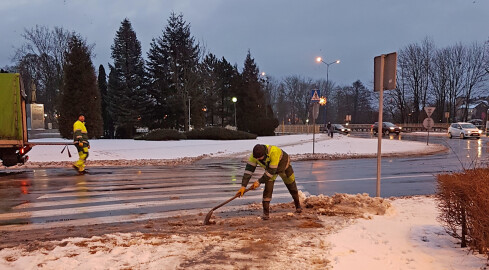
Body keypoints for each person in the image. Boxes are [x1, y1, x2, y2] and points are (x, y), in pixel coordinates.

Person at [236, 144, 302, 220]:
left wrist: (259, 181)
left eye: (259, 158)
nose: (258, 160)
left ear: (265, 154)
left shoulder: (274, 152)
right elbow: (248, 171)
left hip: (284, 168)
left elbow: (271, 172)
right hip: (270, 170)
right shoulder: (254, 156)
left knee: (291, 186)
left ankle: (298, 206)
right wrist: (243, 186)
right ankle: (266, 213)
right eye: (256, 158)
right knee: (268, 189)